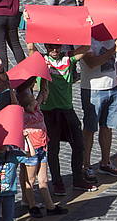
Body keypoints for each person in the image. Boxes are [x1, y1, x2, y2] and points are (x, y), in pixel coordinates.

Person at [39, 43, 98, 195]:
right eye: (50, 47)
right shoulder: (40, 60)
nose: (54, 50)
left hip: (67, 109)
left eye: (57, 47)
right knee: (53, 150)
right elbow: (30, 47)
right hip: (49, 111)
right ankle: (57, 183)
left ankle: (78, 179)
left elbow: (85, 48)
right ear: (45, 46)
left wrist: (85, 27)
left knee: (78, 145)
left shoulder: (68, 59)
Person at [80, 36, 117, 179]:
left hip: (112, 87)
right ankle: (86, 165)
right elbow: (91, 63)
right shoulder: (84, 38)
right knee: (90, 129)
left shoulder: (111, 33)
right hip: (93, 89)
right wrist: (113, 50)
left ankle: (105, 162)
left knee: (107, 127)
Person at [16, 86, 68, 218]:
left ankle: (50, 207)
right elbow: (16, 104)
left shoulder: (37, 109)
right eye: (32, 99)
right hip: (31, 151)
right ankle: (32, 205)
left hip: (42, 148)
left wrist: (44, 83)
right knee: (31, 179)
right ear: (27, 105)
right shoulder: (23, 115)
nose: (36, 100)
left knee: (43, 179)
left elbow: (43, 93)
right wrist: (11, 92)